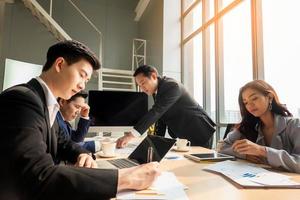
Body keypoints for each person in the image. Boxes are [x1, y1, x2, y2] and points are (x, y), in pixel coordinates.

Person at [0, 40, 160, 200]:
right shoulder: (21, 100)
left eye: (86, 80)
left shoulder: (47, 104)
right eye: (82, 75)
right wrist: (125, 178)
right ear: (60, 64)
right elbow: (36, 176)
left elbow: (64, 143)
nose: (82, 86)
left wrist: (82, 154)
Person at [116, 65, 216, 148]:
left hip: (200, 131)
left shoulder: (171, 86)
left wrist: (130, 135)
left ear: (154, 76)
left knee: (198, 167)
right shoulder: (158, 92)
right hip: (186, 134)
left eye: (143, 83)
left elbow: (156, 112)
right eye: (140, 86)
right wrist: (152, 143)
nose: (142, 89)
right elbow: (161, 118)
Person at [220, 80, 300, 173]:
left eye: (254, 98)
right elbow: (222, 147)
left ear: (270, 97)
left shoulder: (294, 125)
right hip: (259, 181)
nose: (250, 105)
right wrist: (244, 155)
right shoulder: (249, 126)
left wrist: (262, 151)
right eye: (245, 102)